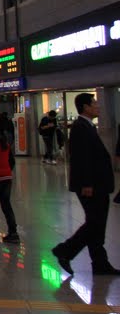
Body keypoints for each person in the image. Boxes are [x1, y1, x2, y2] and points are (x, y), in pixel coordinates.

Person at [53, 94, 120, 276]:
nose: (98, 106)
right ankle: (65, 250)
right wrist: (87, 184)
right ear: (85, 107)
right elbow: (81, 158)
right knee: (95, 223)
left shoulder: (87, 126)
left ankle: (100, 263)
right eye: (95, 103)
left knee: (97, 224)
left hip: (98, 184)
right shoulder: (80, 127)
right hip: (91, 186)